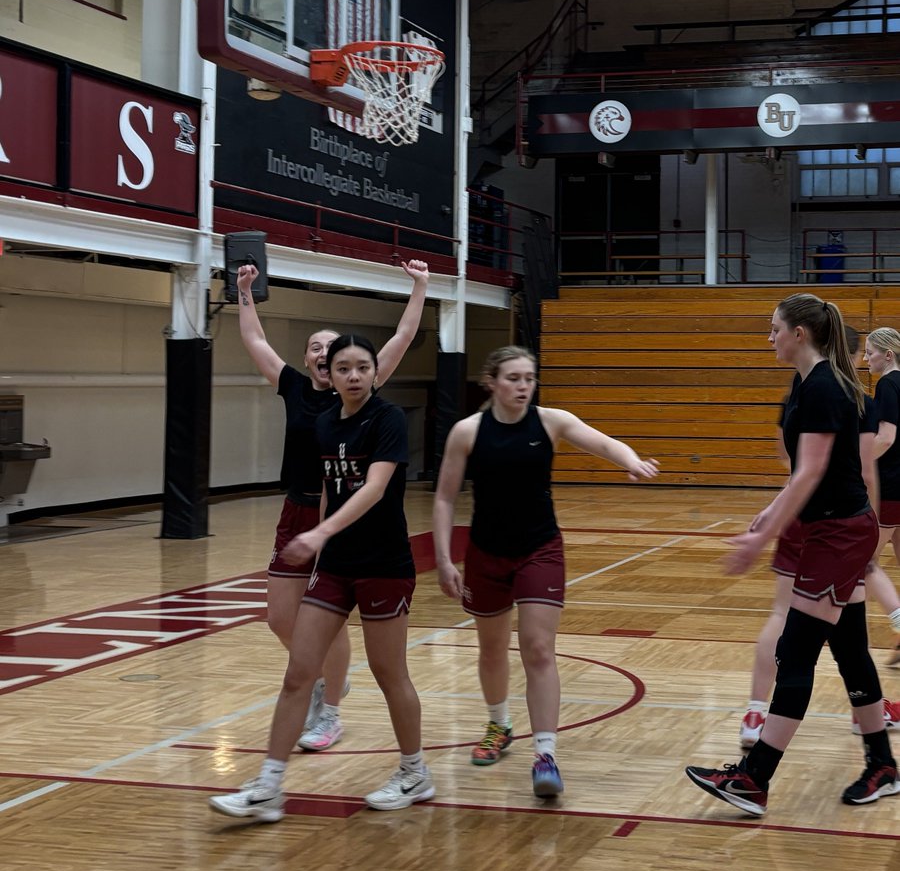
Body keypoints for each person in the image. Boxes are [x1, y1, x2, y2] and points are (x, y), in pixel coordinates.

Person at [686, 293, 898, 818]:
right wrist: (770, 513)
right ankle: (883, 765)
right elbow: (806, 473)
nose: (770, 337)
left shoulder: (825, 386)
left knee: (795, 653)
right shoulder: (809, 383)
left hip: (839, 536)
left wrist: (762, 539)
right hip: (834, 530)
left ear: (799, 333)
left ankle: (753, 779)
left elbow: (812, 472)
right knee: (849, 650)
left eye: (774, 328)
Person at [210, 334, 433, 820]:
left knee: (389, 673)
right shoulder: (326, 422)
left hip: (384, 565)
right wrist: (324, 540)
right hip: (335, 566)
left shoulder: (388, 419)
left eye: (362, 367)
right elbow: (331, 489)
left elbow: (374, 488)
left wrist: (319, 532)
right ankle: (269, 786)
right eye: (343, 368)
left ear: (375, 373)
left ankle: (415, 772)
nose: (353, 376)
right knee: (298, 673)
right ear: (329, 374)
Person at [432, 345, 659, 799]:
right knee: (491, 650)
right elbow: (444, 497)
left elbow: (601, 442)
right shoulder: (467, 432)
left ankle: (545, 754)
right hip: (486, 554)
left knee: (537, 648)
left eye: (529, 378)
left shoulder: (551, 421)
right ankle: (499, 725)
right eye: (513, 378)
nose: (523, 386)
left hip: (539, 549)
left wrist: (630, 460)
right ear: (491, 382)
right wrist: (442, 559)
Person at [235, 259, 428, 751]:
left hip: (342, 515)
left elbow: (403, 337)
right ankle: (325, 676)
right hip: (297, 509)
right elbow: (255, 340)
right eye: (315, 347)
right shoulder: (294, 388)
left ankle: (330, 710)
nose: (324, 352)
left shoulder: (362, 391)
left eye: (332, 346)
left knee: (328, 613)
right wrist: (244, 290)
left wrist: (420, 287)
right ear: (308, 360)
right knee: (281, 617)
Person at [738, 325, 899, 748]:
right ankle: (866, 721)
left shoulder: (800, 391)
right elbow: (865, 473)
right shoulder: (855, 399)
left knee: (792, 619)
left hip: (799, 512)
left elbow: (790, 460)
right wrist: (866, 527)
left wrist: (777, 509)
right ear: (854, 353)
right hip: (836, 524)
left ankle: (755, 713)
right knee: (838, 636)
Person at [864, 326, 900, 665]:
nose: (865, 358)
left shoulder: (888, 384)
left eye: (870, 352)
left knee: (864, 562)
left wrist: (855, 463)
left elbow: (886, 437)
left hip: (890, 486)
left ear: (888, 355)